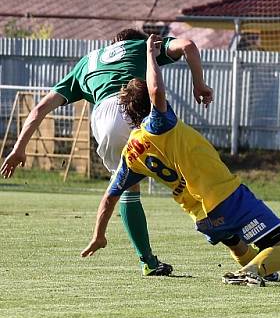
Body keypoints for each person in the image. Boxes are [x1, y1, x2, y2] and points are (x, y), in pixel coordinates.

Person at [80, 35, 280, 286]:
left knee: (238, 244)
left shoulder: (130, 154)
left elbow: (110, 197)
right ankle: (250, 272)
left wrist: (99, 235)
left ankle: (256, 268)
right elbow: (156, 90)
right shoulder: (160, 124)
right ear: (152, 106)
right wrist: (150, 56)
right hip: (226, 197)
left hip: (203, 218)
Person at [1, 28, 213, 277]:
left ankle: (148, 261)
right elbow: (188, 45)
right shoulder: (139, 46)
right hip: (137, 109)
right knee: (191, 173)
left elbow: (40, 108)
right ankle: (229, 227)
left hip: (103, 119)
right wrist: (199, 84)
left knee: (128, 189)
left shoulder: (88, 61)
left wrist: (18, 149)